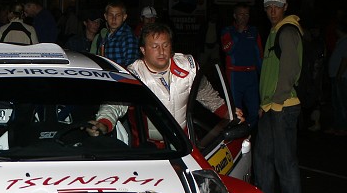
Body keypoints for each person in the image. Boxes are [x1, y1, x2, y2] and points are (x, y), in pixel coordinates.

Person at [86, 22, 241, 140]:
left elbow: (206, 94)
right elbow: (114, 104)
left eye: (165, 45)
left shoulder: (188, 66)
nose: (161, 51)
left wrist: (228, 112)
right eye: (155, 46)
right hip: (149, 149)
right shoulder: (133, 74)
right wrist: (104, 122)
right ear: (143, 50)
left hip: (183, 142)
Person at [254, 0, 305, 193]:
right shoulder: (275, 31)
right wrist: (264, 104)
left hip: (283, 105)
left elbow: (290, 70)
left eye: (277, 6)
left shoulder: (287, 31)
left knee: (285, 160)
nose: (272, 10)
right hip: (270, 106)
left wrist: (277, 101)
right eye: (269, 6)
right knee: (262, 158)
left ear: (285, 7)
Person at [220, 3, 263, 129]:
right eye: (241, 14)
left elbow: (259, 54)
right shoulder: (227, 31)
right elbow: (227, 49)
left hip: (251, 76)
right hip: (235, 75)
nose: (244, 17)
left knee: (255, 111)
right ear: (235, 16)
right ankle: (236, 135)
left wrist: (262, 74)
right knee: (235, 111)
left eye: (246, 14)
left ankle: (247, 132)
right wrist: (238, 33)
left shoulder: (254, 31)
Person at [84, 0, 140, 67]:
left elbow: (131, 66)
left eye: (118, 15)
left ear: (124, 17)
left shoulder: (128, 37)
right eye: (110, 15)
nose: (114, 19)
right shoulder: (105, 37)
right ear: (105, 16)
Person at [326, 17, 347, 136]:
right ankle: (337, 126)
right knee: (336, 103)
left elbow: (345, 59)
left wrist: (339, 75)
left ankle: (343, 127)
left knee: (341, 103)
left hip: (341, 77)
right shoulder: (341, 41)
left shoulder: (345, 41)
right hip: (336, 76)